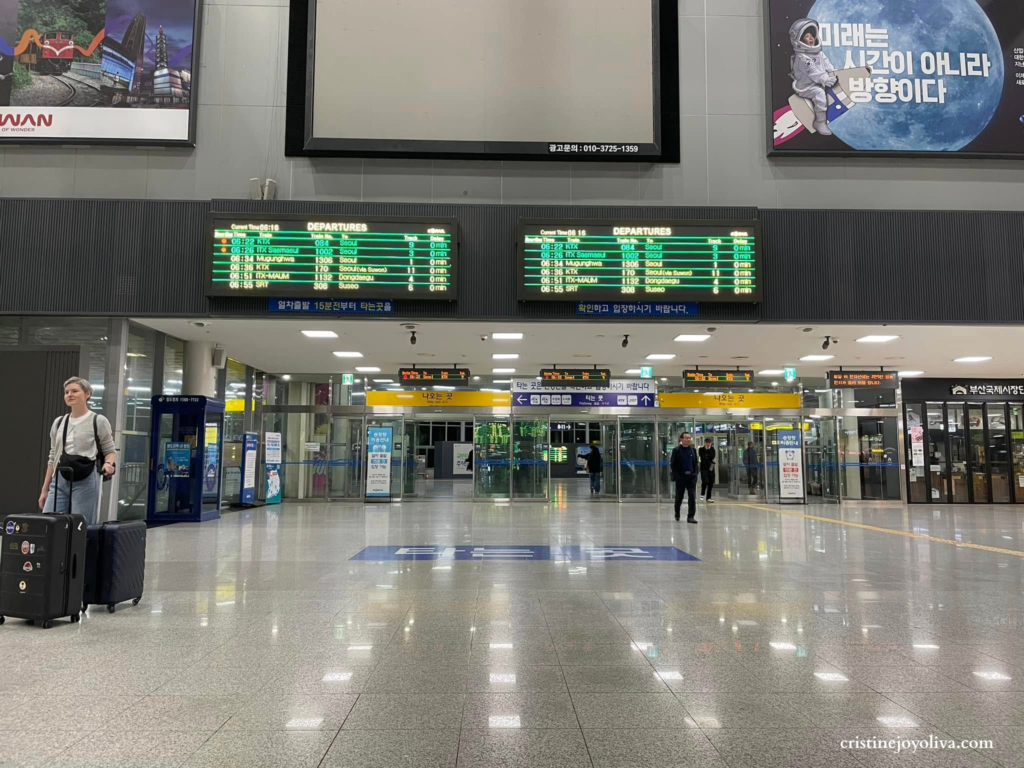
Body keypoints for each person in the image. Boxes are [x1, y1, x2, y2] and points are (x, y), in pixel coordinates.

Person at [38, 377, 116, 525]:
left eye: (74, 391)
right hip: (60, 478)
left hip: (86, 478)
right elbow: (53, 457)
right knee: (49, 523)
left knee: (81, 525)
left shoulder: (98, 421)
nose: (69, 395)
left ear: (87, 394)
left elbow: (110, 450)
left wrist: (108, 464)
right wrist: (45, 489)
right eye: (66, 392)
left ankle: (82, 542)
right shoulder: (59, 422)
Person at [789, 18, 837, 136]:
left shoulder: (818, 53)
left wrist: (834, 73)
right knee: (820, 94)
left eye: (812, 35)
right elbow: (813, 72)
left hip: (819, 82)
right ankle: (820, 122)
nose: (811, 38)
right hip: (806, 86)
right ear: (799, 40)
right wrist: (825, 79)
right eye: (807, 36)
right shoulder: (802, 57)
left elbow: (827, 64)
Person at [670, 432, 699, 523]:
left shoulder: (693, 450)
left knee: (692, 496)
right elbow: (673, 464)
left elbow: (695, 463)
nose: (688, 440)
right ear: (681, 439)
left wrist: (695, 473)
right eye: (686, 438)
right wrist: (677, 475)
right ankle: (677, 512)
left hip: (691, 477)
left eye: (689, 438)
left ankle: (691, 516)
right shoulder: (676, 450)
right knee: (679, 497)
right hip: (681, 477)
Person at [698, 437, 716, 504]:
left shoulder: (712, 449)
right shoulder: (701, 449)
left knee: (711, 482)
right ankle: (702, 493)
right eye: (706, 443)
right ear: (704, 443)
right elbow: (702, 456)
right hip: (703, 467)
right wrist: (706, 451)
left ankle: (708, 497)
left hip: (711, 467)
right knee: (705, 481)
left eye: (709, 443)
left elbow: (712, 456)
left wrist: (708, 450)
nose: (708, 444)